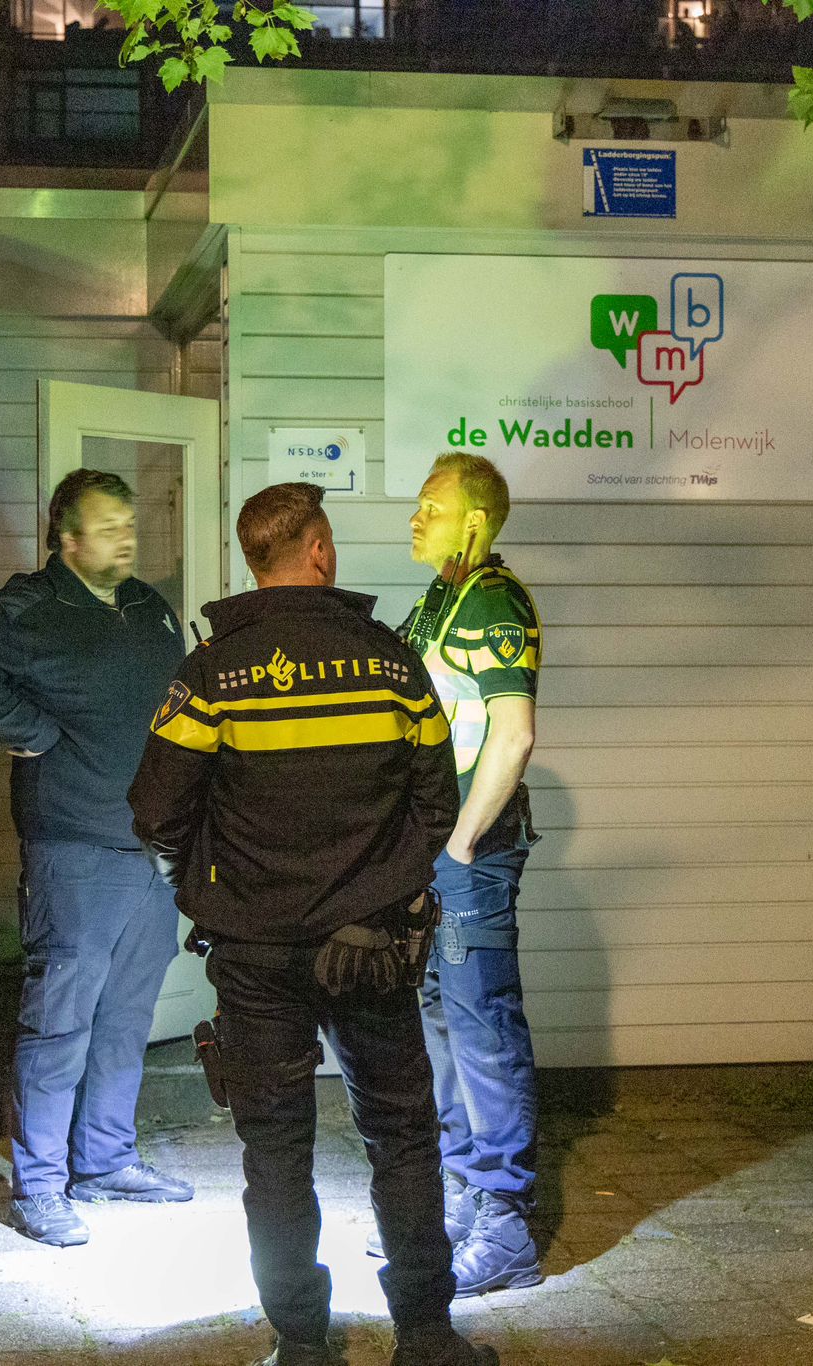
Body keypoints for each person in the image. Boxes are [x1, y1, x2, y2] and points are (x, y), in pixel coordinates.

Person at [128, 482, 498, 1366]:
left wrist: (215, 892)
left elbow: (156, 810)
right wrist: (378, 889)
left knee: (275, 1150)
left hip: (255, 956)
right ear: (320, 550)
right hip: (373, 950)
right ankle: (427, 1336)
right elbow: (436, 805)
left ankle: (301, 1342)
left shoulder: (212, 672)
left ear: (254, 561)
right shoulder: (390, 662)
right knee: (403, 1138)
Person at [0, 468, 194, 1246]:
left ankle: (105, 1159)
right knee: (59, 1022)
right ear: (67, 539)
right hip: (74, 848)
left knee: (127, 1016)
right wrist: (31, 731)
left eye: (130, 523)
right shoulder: (29, 609)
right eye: (108, 526)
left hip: (151, 849)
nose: (127, 538)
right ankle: (39, 1186)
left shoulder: (148, 608)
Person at [398, 453, 545, 1296]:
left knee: (482, 1028)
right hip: (431, 855)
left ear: (475, 522)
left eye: (432, 506)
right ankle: (460, 1195)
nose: (416, 519)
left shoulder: (492, 600)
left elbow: (513, 733)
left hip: (469, 858)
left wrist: (459, 844)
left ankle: (506, 1223)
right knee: (440, 1022)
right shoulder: (440, 598)